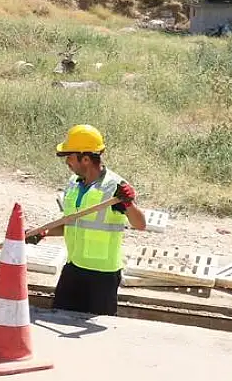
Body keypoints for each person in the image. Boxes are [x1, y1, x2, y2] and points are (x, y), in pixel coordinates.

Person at [27, 124, 146, 316]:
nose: (67, 162)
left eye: (70, 156)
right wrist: (44, 232)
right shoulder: (74, 184)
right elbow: (71, 224)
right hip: (73, 269)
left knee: (95, 340)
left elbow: (140, 224)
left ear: (85, 159)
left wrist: (129, 204)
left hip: (102, 277)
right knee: (58, 318)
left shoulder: (114, 188)